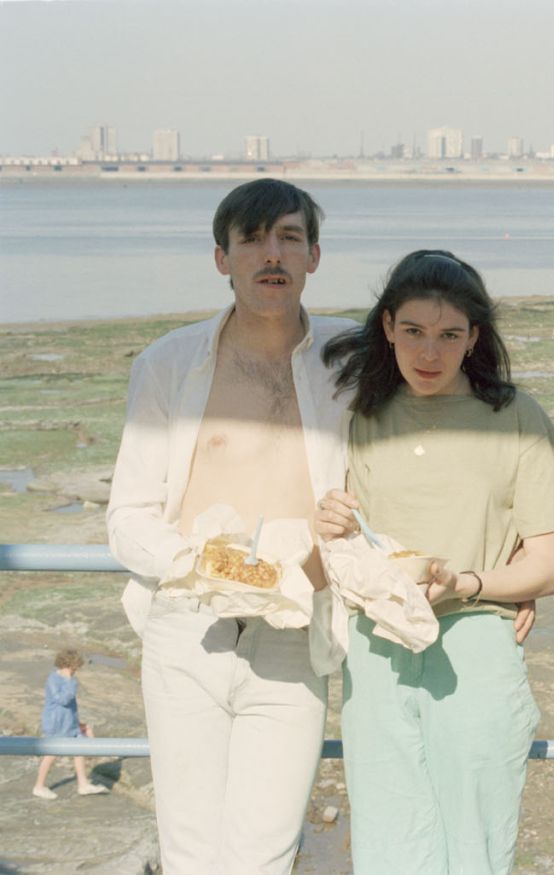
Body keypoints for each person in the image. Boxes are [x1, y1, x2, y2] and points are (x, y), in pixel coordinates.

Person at [106, 179, 354, 873]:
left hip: (296, 627)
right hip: (189, 623)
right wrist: (204, 565)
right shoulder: (169, 364)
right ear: (222, 257)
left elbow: (448, 405)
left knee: (265, 849)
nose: (271, 253)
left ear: (314, 255)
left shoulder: (354, 361)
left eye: (289, 237)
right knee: (190, 849)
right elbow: (127, 516)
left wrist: (507, 567)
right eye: (251, 239)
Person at [316, 250, 554, 873]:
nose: (429, 353)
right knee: (387, 834)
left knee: (477, 836)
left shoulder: (517, 418)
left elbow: (549, 563)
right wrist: (327, 521)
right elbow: (344, 536)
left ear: (474, 338)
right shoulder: (357, 415)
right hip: (378, 647)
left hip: (478, 641)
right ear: (387, 329)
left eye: (449, 335)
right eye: (413, 333)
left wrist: (470, 582)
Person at [32, 648, 108, 799]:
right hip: (56, 723)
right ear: (70, 665)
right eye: (76, 667)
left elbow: (70, 708)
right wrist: (69, 682)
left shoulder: (68, 680)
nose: (76, 670)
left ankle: (83, 784)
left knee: (78, 749)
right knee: (52, 753)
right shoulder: (55, 679)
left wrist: (79, 724)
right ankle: (39, 786)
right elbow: (62, 700)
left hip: (68, 723)